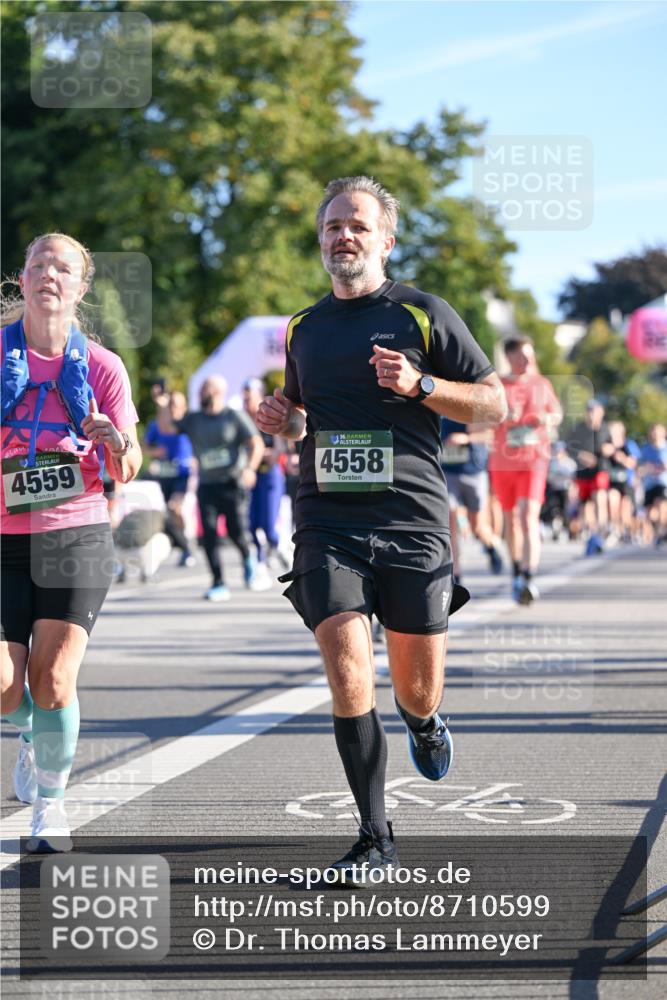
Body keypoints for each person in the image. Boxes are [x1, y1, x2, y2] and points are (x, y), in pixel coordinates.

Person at [256, 176, 506, 881]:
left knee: (414, 689)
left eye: (357, 225)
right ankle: (375, 838)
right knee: (345, 669)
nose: (344, 236)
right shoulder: (302, 328)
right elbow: (306, 416)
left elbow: (492, 406)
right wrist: (284, 422)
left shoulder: (424, 315)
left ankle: (424, 722)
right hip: (327, 517)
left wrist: (421, 386)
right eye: (333, 225)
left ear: (385, 240)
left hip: (412, 519)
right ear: (320, 239)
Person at [1, 232, 141, 852]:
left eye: (64, 268)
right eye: (39, 265)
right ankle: (31, 732)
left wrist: (114, 441)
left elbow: (129, 467)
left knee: (54, 677)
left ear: (81, 287)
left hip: (74, 534)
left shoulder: (104, 367)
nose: (49, 275)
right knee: (8, 691)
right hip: (4, 533)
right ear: (23, 280)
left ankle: (51, 808)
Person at [162, 375, 266, 600]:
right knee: (208, 534)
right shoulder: (194, 419)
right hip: (207, 484)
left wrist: (249, 468)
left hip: (232, 482)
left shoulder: (233, 417)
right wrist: (163, 405)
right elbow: (168, 427)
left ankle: (249, 558)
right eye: (200, 390)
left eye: (205, 390)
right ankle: (218, 582)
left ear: (219, 392)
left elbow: (255, 443)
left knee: (236, 531)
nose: (201, 394)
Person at [488, 336, 562, 603]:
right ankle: (517, 570)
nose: (528, 361)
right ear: (509, 357)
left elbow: (558, 414)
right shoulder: (497, 384)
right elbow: (480, 419)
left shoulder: (542, 384)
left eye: (530, 356)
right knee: (511, 521)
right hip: (503, 462)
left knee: (528, 515)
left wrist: (546, 418)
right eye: (522, 356)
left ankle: (529, 577)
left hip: (534, 459)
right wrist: (499, 415)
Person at [440, 416, 503, 584]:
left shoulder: (472, 397)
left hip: (473, 471)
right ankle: (456, 575)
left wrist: (466, 438)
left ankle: (490, 547)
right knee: (450, 523)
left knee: (478, 527)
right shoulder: (435, 396)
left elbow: (491, 435)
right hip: (447, 471)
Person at [144, 388, 196, 566]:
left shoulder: (188, 422)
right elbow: (145, 447)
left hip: (182, 474)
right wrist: (155, 451)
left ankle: (186, 544)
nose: (174, 409)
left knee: (175, 508)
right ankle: (183, 544)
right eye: (171, 404)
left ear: (184, 407)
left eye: (177, 405)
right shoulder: (157, 424)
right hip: (164, 475)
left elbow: (172, 429)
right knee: (166, 512)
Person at [242, 376, 288, 572]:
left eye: (250, 398)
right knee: (252, 525)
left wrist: (267, 453)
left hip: (270, 475)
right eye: (244, 399)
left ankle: (280, 548)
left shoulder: (269, 416)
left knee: (269, 525)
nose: (247, 403)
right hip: (252, 477)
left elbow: (280, 448)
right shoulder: (241, 421)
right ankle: (259, 562)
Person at [567, 399, 614, 555]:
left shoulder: (606, 429)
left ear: (601, 412)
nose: (592, 414)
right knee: (586, 506)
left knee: (599, 499)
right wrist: (582, 455)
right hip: (582, 472)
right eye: (589, 411)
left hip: (600, 470)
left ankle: (601, 533)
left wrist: (609, 449)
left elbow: (613, 447)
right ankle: (593, 535)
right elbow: (569, 447)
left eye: (595, 411)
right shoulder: (578, 429)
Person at [638, 423, 667, 546]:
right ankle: (658, 530)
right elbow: (639, 468)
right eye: (653, 431)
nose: (655, 434)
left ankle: (662, 531)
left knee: (662, 505)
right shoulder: (645, 449)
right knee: (650, 513)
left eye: (657, 431)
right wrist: (645, 468)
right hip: (649, 484)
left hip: (663, 483)